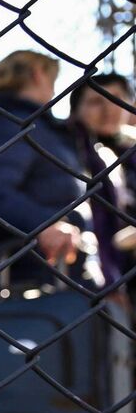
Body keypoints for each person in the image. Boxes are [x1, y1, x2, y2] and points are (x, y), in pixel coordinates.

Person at [0, 51, 89, 285]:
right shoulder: (12, 124)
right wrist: (44, 223)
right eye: (53, 79)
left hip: (55, 270)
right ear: (38, 75)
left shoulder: (34, 125)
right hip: (29, 274)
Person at [69, 73, 136, 296]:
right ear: (76, 109)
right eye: (96, 102)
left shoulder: (129, 150)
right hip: (94, 280)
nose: (109, 110)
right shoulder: (70, 151)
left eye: (117, 99)